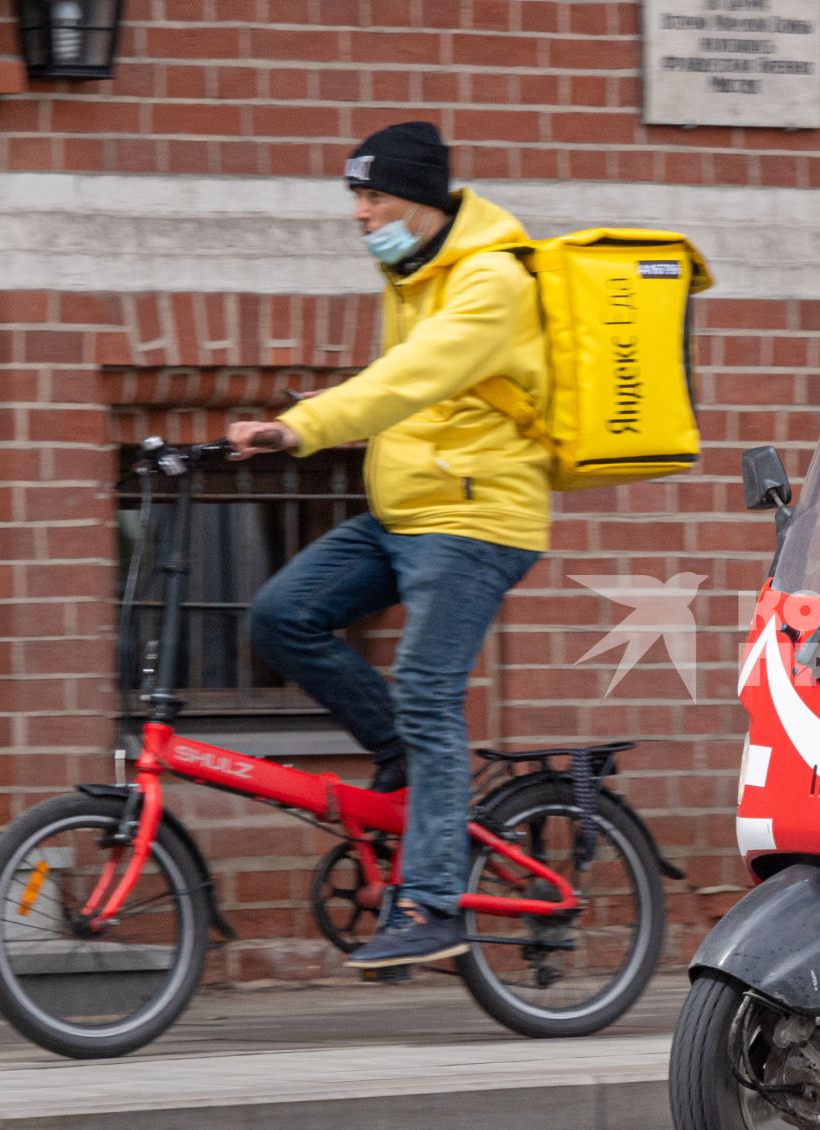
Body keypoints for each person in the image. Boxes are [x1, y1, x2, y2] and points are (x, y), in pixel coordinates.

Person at [227, 121, 551, 968]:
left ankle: (432, 904)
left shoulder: (491, 281)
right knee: (280, 616)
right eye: (356, 198)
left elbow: (408, 381)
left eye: (373, 196)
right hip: (409, 511)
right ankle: (400, 752)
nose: (362, 214)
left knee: (426, 690)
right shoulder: (410, 271)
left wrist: (300, 428)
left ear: (423, 198)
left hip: (478, 519)